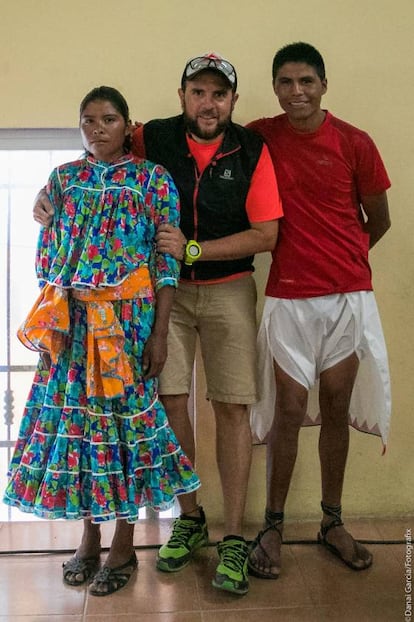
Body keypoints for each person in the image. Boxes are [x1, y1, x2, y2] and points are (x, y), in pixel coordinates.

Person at [32, 52, 283, 595]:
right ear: (182, 97)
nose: (208, 102)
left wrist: (193, 250)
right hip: (122, 315)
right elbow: (98, 157)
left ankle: (234, 536)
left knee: (232, 406)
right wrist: (45, 199)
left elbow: (266, 235)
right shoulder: (154, 138)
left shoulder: (251, 149)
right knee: (161, 407)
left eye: (219, 93)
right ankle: (188, 519)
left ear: (233, 101)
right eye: (199, 92)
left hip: (220, 289)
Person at [4, 85, 201, 597]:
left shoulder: (151, 179)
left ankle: (123, 544)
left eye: (108, 119)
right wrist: (44, 218)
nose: (97, 128)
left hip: (129, 326)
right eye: (87, 120)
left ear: (127, 125)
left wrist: (159, 334)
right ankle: (88, 539)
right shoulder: (63, 180)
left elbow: (166, 263)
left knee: (122, 433)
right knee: (80, 430)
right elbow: (47, 259)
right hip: (72, 328)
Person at [247, 42, 392, 579]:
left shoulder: (355, 142)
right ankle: (272, 526)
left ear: (324, 85)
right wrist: (136, 134)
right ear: (275, 88)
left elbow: (379, 219)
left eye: (306, 81)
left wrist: (344, 260)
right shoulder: (261, 135)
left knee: (335, 405)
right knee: (287, 410)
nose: (296, 92)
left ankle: (332, 522)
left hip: (348, 298)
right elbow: (199, 134)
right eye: (285, 82)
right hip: (287, 299)